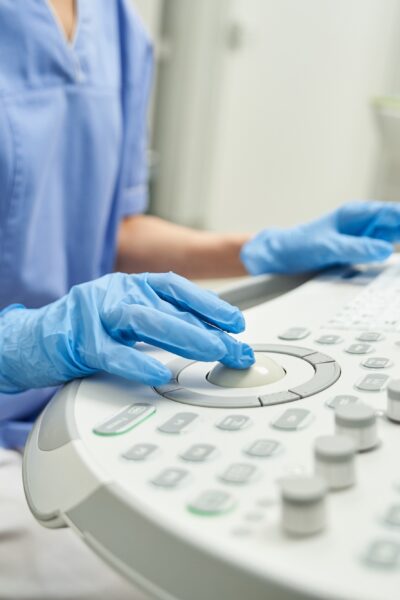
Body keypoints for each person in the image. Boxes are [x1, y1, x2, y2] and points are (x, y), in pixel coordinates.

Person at [1, 1, 400, 598]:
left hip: (89, 395)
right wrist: (20, 345)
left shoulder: (116, 25)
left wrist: (260, 248)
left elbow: (115, 228)